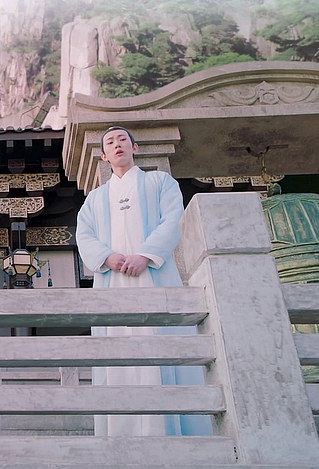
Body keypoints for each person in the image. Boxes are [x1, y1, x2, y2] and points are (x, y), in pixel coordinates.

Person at [76, 126, 212, 436]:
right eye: (110, 142)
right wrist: (108, 257)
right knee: (118, 354)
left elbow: (172, 220)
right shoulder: (95, 199)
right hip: (113, 285)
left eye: (123, 139)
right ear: (103, 156)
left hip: (154, 277)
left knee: (163, 350)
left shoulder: (160, 182)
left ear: (135, 148)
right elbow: (84, 235)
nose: (117, 145)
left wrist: (146, 255)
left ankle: (174, 433)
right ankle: (121, 435)